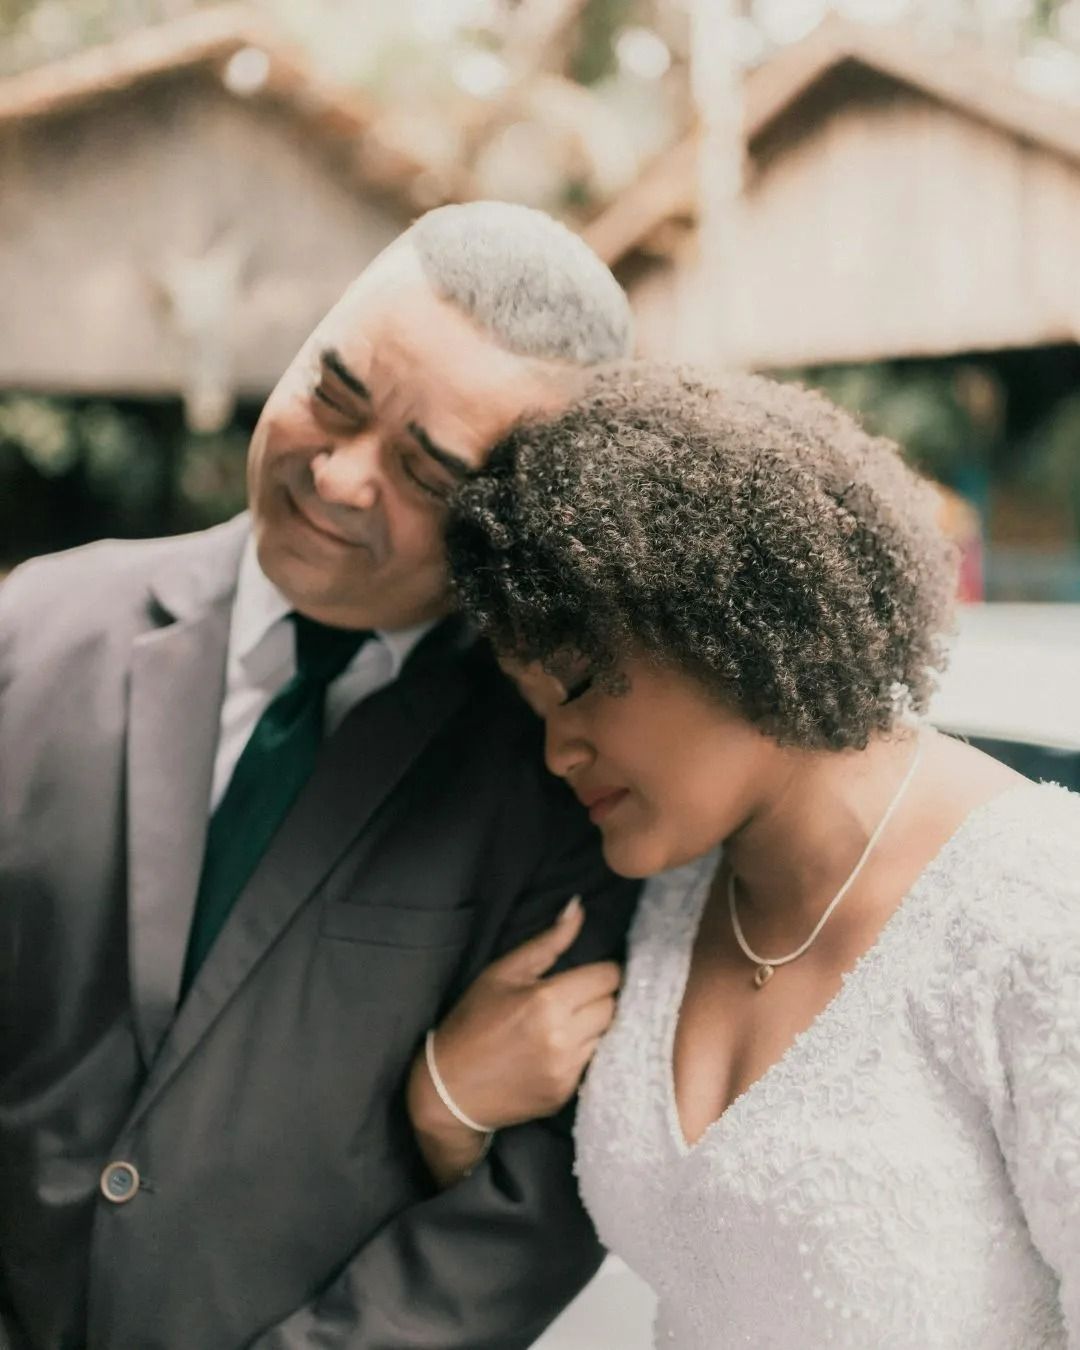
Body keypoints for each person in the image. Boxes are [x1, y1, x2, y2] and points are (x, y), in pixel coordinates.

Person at [0, 202, 640, 1350]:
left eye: (426, 472)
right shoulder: (37, 627)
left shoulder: (561, 776)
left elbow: (532, 1208)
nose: (339, 477)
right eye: (332, 397)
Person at [412, 363, 1080, 1348]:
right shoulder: (664, 897)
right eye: (536, 705)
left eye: (580, 683)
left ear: (733, 617)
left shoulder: (1039, 906)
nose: (558, 750)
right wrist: (448, 1111)